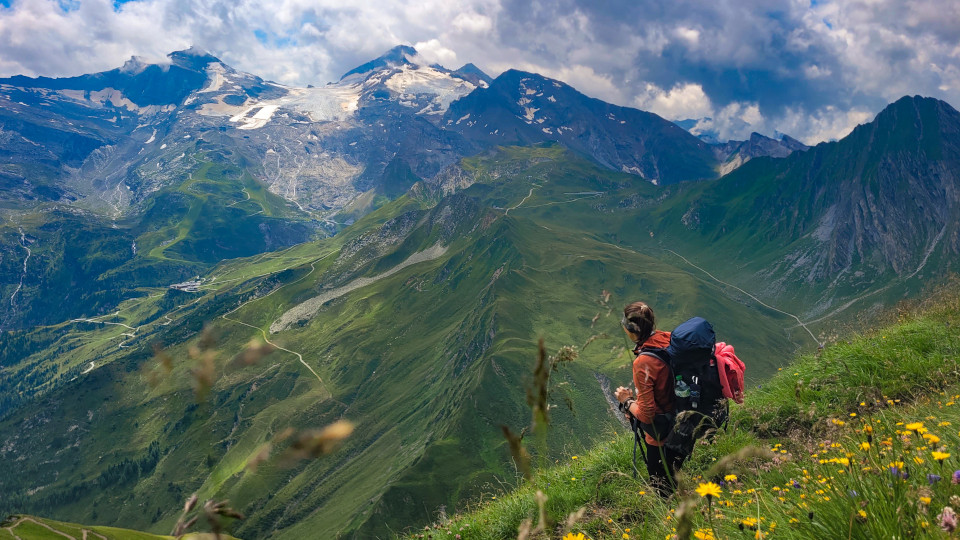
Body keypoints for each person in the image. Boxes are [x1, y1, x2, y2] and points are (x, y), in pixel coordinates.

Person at [614, 301, 685, 496]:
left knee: (662, 487)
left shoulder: (643, 362)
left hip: (661, 435)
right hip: (685, 420)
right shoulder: (669, 338)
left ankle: (670, 517)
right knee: (675, 470)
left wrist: (627, 402)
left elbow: (646, 415)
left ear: (630, 330)